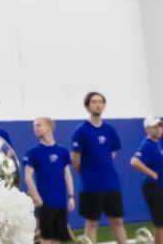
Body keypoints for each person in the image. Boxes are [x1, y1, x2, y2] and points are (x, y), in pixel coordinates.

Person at [71, 91, 126, 244]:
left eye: (101, 101)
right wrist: (88, 174)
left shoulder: (110, 130)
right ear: (88, 106)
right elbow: (75, 159)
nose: (98, 104)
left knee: (118, 222)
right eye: (94, 101)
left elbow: (112, 153)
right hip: (91, 186)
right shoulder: (81, 131)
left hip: (112, 184)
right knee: (92, 223)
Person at [23, 117, 74, 244]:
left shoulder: (62, 151)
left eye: (38, 125)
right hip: (45, 202)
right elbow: (28, 176)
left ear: (49, 127)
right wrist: (37, 197)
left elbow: (67, 174)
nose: (35, 128)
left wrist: (71, 196)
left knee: (57, 239)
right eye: (34, 126)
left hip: (61, 202)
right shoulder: (33, 152)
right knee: (46, 239)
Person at [130, 117, 163, 244]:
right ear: (147, 129)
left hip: (158, 186)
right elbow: (134, 161)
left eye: (160, 126)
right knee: (160, 223)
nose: (158, 129)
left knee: (160, 222)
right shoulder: (147, 145)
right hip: (153, 187)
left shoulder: (156, 144)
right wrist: (152, 173)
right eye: (154, 127)